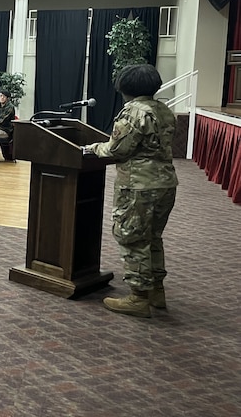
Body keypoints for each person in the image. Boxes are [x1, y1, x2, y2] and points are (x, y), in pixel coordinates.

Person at [84, 64, 178, 318]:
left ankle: (138, 297)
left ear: (125, 88)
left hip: (138, 185)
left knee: (132, 237)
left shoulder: (133, 112)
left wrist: (93, 148)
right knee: (153, 237)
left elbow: (117, 150)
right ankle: (157, 291)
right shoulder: (164, 110)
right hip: (166, 183)